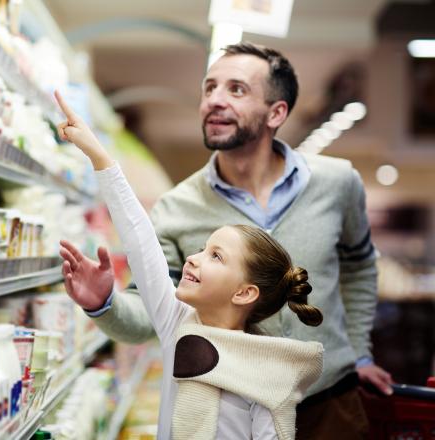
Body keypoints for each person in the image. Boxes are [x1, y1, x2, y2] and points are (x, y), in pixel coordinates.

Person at [58, 43, 393, 439]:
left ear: (276, 112)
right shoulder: (177, 208)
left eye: (236, 89)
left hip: (332, 400)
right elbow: (147, 288)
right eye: (209, 87)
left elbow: (359, 267)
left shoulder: (339, 183)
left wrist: (360, 351)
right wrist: (105, 304)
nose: (214, 100)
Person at [55, 90, 324, 440]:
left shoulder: (267, 375)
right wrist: (98, 154)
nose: (193, 258)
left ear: (244, 292)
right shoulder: (178, 324)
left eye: (216, 256)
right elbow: (141, 240)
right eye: (203, 248)